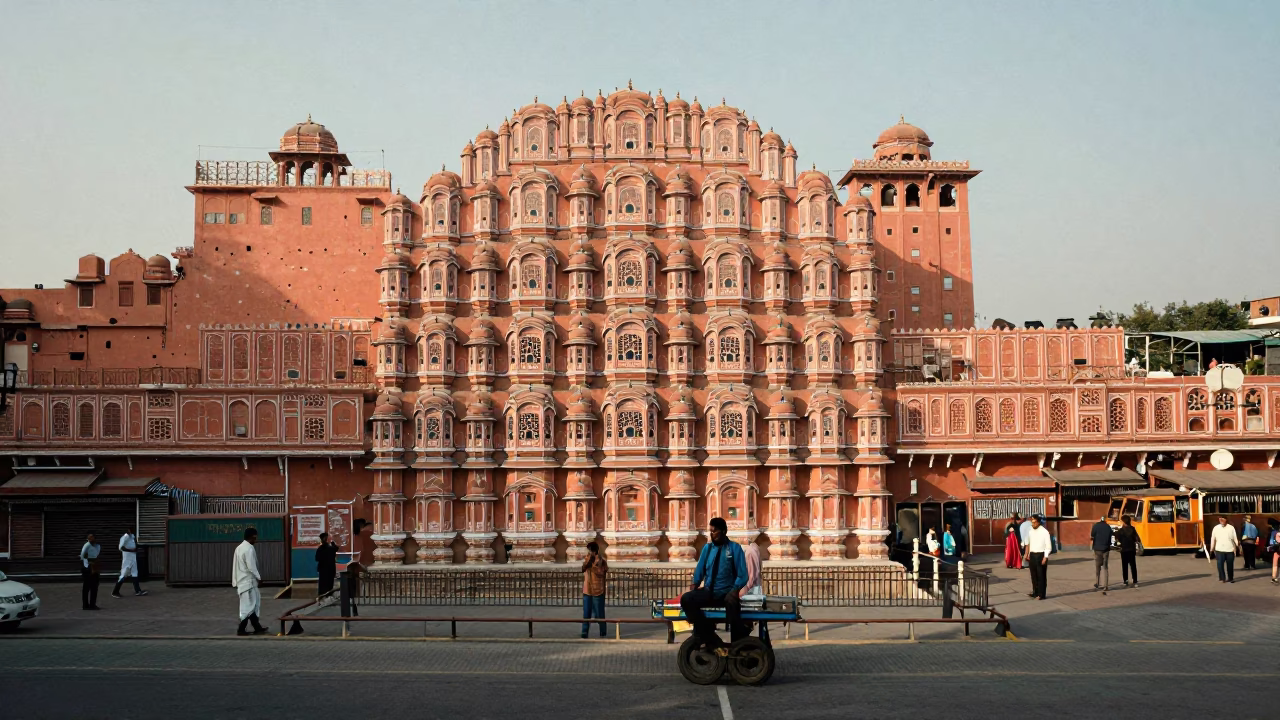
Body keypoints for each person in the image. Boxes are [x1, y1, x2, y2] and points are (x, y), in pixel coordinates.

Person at [679, 517, 747, 652]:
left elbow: (743, 574)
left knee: (734, 610)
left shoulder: (734, 548)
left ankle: (738, 646)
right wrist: (695, 583)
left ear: (724, 531)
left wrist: (735, 589)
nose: (712, 534)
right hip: (709, 592)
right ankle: (709, 635)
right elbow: (700, 569)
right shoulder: (707, 548)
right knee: (686, 599)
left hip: (726, 593)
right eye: (710, 531)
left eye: (715, 531)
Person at [233, 527, 268, 635]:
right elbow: (251, 566)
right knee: (248, 607)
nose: (256, 540)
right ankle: (241, 629)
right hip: (248, 582)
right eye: (255, 538)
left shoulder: (239, 548)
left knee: (251, 605)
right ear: (252, 536)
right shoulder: (249, 548)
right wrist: (259, 578)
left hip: (242, 582)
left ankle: (257, 627)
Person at [580, 541, 607, 639]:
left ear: (594, 551)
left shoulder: (601, 561)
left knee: (600, 614)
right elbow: (582, 569)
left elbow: (601, 572)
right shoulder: (587, 559)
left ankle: (603, 632)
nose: (588, 553)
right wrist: (588, 563)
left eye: (590, 551)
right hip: (587, 591)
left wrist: (593, 565)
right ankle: (584, 632)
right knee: (586, 613)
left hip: (598, 591)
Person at [1023, 515, 1053, 599]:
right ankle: (1035, 592)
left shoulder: (1044, 532)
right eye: (1032, 522)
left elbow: (1048, 546)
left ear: (1039, 522)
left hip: (1041, 555)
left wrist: (1045, 557)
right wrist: (1027, 554)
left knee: (1041, 576)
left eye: (1034, 522)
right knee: (1034, 575)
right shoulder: (1030, 531)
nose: (1033, 524)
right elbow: (1028, 543)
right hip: (1032, 555)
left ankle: (1041, 594)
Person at [111, 528, 148, 598]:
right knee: (124, 574)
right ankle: (115, 592)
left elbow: (134, 545)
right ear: (128, 530)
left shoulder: (132, 536)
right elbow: (121, 548)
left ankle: (138, 591)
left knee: (134, 573)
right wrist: (131, 550)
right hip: (127, 559)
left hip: (133, 558)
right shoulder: (125, 537)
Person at [1208, 516, 1239, 583]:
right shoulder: (1216, 528)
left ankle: (1230, 578)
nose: (1221, 520)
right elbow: (1213, 539)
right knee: (1220, 565)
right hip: (1219, 550)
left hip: (1230, 549)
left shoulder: (1231, 528)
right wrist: (1211, 549)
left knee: (1230, 565)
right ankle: (1222, 578)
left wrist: (1237, 546)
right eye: (1220, 519)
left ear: (1226, 520)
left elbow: (1235, 538)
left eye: (1223, 519)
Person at [1089, 514, 1113, 594]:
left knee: (1097, 566)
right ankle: (1106, 585)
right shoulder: (1108, 527)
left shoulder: (1095, 526)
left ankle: (1097, 583)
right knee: (1105, 567)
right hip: (1106, 549)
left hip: (1097, 549)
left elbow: (1092, 536)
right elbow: (1110, 537)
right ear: (1105, 520)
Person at [1116, 515, 1140, 587]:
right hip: (1131, 549)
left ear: (1123, 521)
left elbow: (1117, 540)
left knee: (1124, 566)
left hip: (1124, 550)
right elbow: (1137, 539)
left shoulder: (1120, 531)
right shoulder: (1133, 529)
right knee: (1133, 565)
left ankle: (1125, 580)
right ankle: (1135, 580)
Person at [79, 533, 102, 610]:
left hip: (95, 566)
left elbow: (97, 556)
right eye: (89, 538)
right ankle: (85, 605)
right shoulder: (87, 545)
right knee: (86, 587)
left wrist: (97, 567)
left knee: (94, 587)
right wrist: (89, 564)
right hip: (87, 567)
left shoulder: (98, 546)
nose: (90, 539)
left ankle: (92, 604)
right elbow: (82, 556)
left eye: (92, 537)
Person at [314, 532, 339, 597]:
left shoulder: (320, 549)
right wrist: (333, 542)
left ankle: (322, 596)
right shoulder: (330, 548)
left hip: (323, 569)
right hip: (330, 569)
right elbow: (336, 548)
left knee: (323, 584)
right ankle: (328, 596)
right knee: (329, 584)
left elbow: (317, 558)